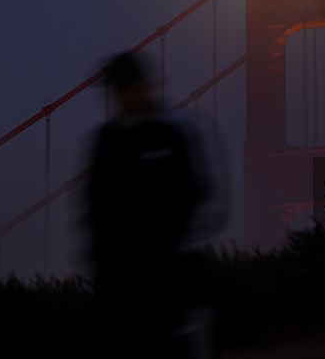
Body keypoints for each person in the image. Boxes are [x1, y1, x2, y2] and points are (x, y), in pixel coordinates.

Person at [84, 51, 225, 357]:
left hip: (176, 292)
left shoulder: (177, 134)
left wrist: (176, 255)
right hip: (123, 297)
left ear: (147, 86)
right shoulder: (105, 143)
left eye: (129, 86)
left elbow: (208, 202)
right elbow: (92, 213)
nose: (123, 96)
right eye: (118, 89)